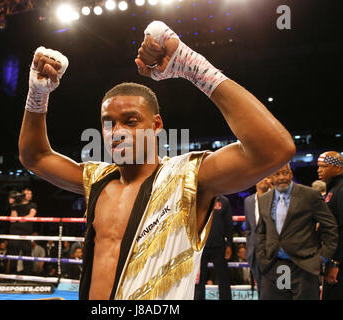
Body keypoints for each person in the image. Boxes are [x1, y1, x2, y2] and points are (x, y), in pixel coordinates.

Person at [18, 20, 296, 300]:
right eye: (108, 123)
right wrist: (37, 95)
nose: (117, 132)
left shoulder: (187, 177)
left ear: (156, 124)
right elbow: (35, 157)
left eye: (130, 121)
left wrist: (192, 67)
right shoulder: (96, 179)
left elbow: (274, 149)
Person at [256, 163, 338, 299]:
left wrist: (322, 257)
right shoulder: (264, 199)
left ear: (291, 174)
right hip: (274, 265)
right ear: (270, 177)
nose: (282, 177)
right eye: (277, 174)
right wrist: (262, 257)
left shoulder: (310, 195)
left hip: (304, 266)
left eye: (285, 173)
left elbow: (330, 226)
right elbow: (261, 231)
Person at [318, 151, 343, 299]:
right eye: (319, 166)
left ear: (338, 168)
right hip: (339, 260)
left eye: (324, 166)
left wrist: (336, 262)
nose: (319, 170)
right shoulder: (334, 189)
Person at [194, 196, 233, 300]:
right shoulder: (199, 199)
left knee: (223, 278)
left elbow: (229, 224)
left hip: (219, 246)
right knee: (199, 279)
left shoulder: (224, 201)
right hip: (201, 246)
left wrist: (229, 244)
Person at [244, 176, 272, 297]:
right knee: (260, 287)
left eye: (268, 176)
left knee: (279, 287)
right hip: (255, 252)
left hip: (273, 252)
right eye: (262, 176)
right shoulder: (248, 201)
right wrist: (250, 247)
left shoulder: (277, 197)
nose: (265, 179)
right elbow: (249, 229)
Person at [6, 190, 37, 275]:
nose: (29, 195)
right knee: (13, 256)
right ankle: (12, 277)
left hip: (26, 233)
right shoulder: (16, 205)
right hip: (15, 232)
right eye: (27, 193)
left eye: (31, 193)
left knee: (27, 255)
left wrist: (19, 219)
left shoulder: (32, 205)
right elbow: (12, 220)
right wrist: (13, 206)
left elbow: (31, 216)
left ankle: (27, 277)